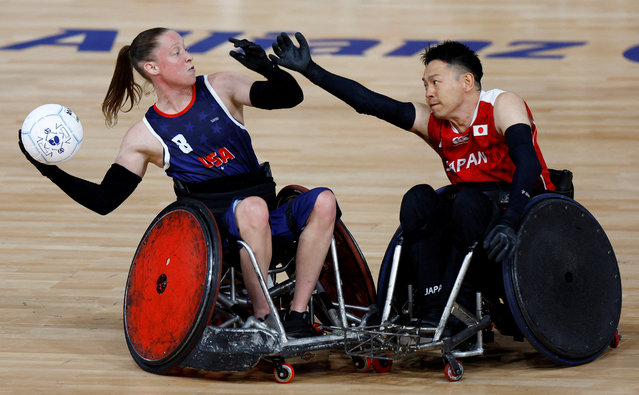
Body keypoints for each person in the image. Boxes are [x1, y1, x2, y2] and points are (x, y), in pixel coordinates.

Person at [18, 27, 338, 338]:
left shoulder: (221, 86)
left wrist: (269, 69)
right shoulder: (144, 136)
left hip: (265, 213)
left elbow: (289, 97)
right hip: (216, 231)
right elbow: (105, 200)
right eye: (177, 52)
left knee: (324, 200)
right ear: (152, 67)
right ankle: (263, 317)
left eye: (185, 48)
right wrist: (49, 170)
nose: (188, 57)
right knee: (253, 210)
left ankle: (296, 316)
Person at [269, 32, 555, 326]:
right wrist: (310, 70)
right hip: (471, 213)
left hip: (523, 208)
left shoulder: (502, 105)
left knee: (467, 201)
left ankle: (461, 307)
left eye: (436, 82)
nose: (429, 92)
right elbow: (370, 102)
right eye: (425, 85)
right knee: (419, 200)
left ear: (467, 82)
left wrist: (511, 221)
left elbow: (528, 163)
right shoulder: (434, 124)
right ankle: (432, 309)